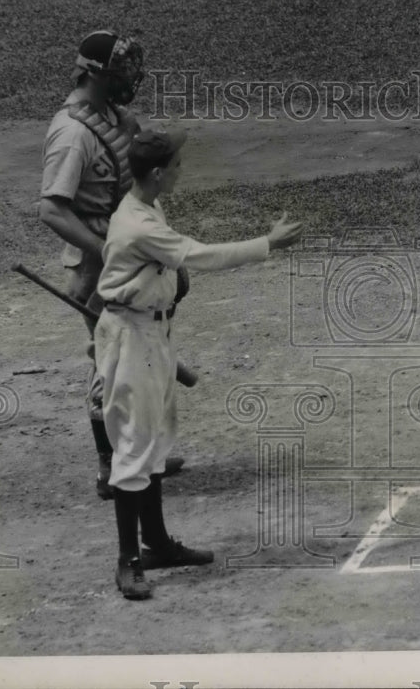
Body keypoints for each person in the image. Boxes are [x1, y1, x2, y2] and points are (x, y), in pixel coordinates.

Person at [95, 126, 303, 600]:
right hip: (133, 339)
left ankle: (159, 544)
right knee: (134, 448)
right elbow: (198, 255)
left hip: (151, 334)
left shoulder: (147, 206)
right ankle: (129, 563)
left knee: (154, 442)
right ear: (155, 172)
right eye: (176, 165)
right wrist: (267, 244)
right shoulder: (139, 224)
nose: (181, 171)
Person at [39, 30, 184, 499]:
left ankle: (142, 453)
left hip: (130, 260)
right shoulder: (71, 134)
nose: (130, 80)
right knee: (113, 366)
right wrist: (109, 251)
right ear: (94, 74)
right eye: (121, 72)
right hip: (98, 268)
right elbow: (52, 209)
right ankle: (111, 466)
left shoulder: (114, 119)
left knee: (140, 359)